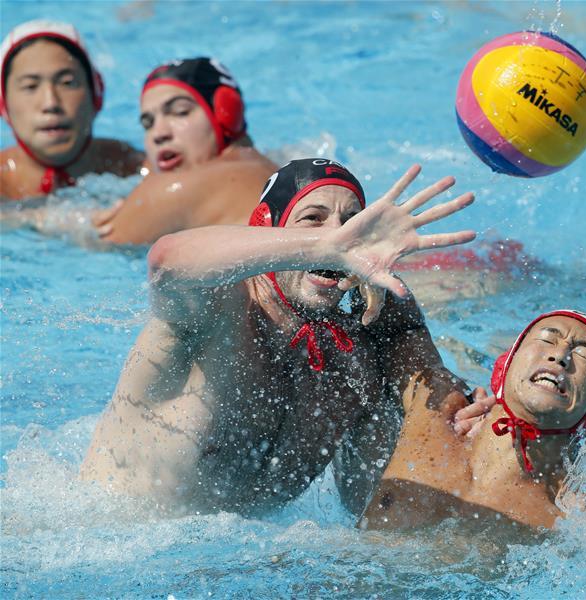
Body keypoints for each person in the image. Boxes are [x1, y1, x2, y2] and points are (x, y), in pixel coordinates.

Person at [79, 158, 477, 516]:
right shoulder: (219, 311)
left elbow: (373, 505)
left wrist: (459, 413)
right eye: (313, 219)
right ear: (267, 227)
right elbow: (167, 262)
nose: (338, 236)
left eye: (351, 223)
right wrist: (322, 247)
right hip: (106, 543)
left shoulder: (353, 355)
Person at [360, 309, 586, 530]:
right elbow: (398, 324)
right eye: (547, 340)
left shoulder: (577, 513)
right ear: (505, 365)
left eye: (583, 356)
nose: (561, 356)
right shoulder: (436, 407)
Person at [93, 57, 277, 244]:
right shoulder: (269, 166)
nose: (159, 134)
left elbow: (99, 239)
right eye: (148, 124)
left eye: (180, 112)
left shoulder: (176, 190)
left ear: (227, 114)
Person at [0, 20, 143, 199]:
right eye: (30, 86)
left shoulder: (130, 167)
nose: (50, 103)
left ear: (96, 95)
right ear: (3, 104)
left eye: (67, 83)